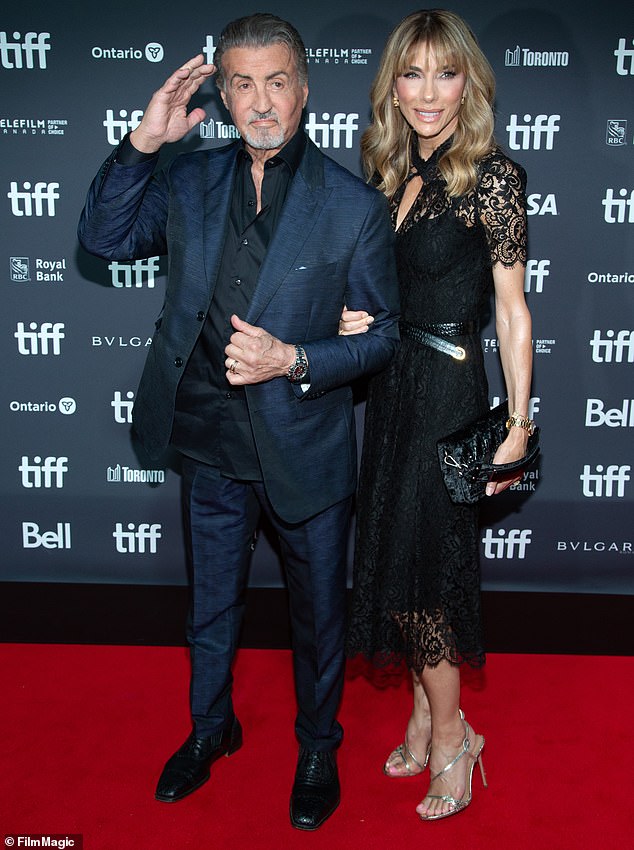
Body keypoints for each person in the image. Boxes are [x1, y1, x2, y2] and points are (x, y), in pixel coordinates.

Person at [78, 12, 399, 831]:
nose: (262, 101)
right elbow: (103, 236)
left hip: (305, 445)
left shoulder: (353, 205)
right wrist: (146, 141)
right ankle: (210, 731)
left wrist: (294, 359)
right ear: (221, 94)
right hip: (208, 437)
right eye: (243, 83)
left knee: (320, 615)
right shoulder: (189, 180)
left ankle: (318, 746)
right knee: (211, 604)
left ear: (304, 88)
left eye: (277, 80)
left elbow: (385, 337)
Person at [343, 9, 533, 821]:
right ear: (393, 83)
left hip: (449, 391)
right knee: (394, 563)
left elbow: (513, 309)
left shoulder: (492, 176)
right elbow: (380, 286)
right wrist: (359, 322)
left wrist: (517, 421)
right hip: (391, 390)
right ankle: (423, 713)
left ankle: (456, 740)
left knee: (427, 583)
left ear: (468, 83)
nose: (427, 92)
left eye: (444, 73)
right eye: (411, 73)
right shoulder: (387, 170)